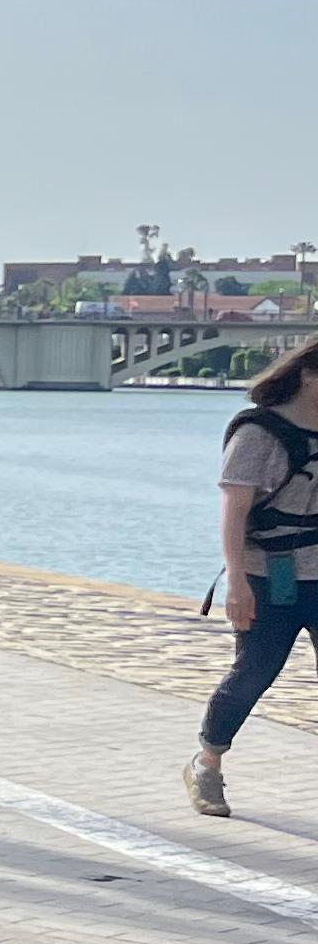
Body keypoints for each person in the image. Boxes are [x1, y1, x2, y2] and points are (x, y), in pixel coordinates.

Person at [192, 334, 318, 818]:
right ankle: (208, 764)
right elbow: (234, 512)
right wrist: (237, 583)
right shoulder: (259, 433)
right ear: (308, 374)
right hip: (273, 574)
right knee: (254, 673)